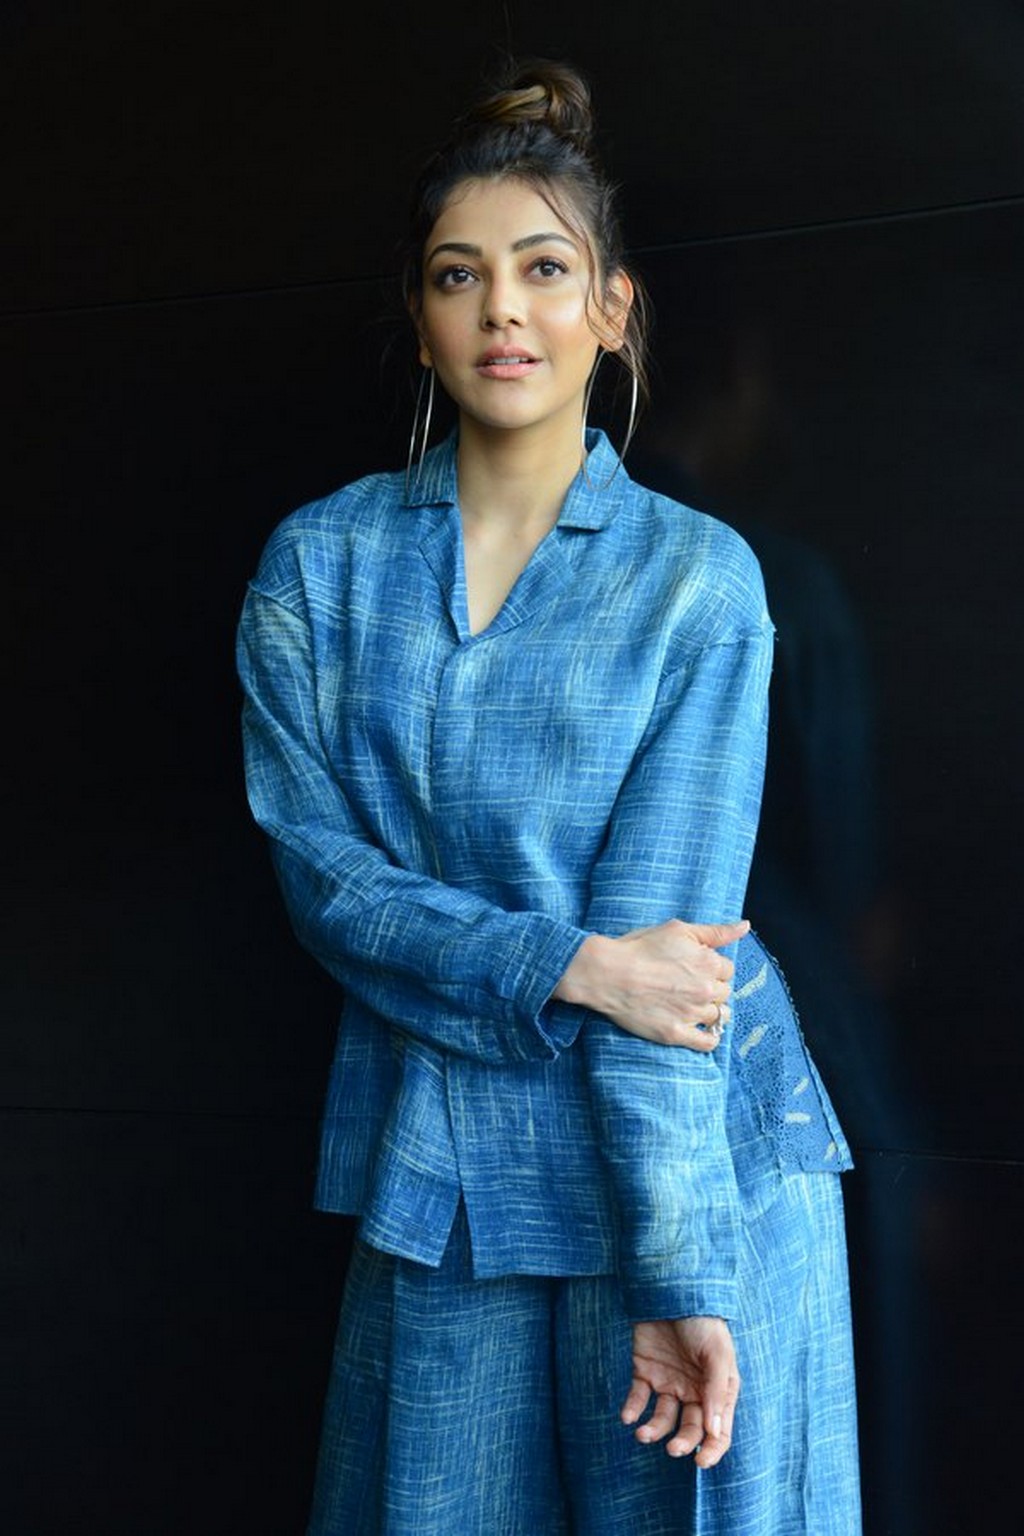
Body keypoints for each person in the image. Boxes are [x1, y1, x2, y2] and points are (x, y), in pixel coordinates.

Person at [236, 55, 861, 1535]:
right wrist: (570, 964)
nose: (501, 310)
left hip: (696, 1164)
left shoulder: (698, 580)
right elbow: (327, 886)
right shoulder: (319, 569)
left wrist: (680, 1267)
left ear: (613, 308)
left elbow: (675, 972)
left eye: (544, 269)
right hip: (442, 1159)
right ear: (420, 318)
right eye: (459, 276)